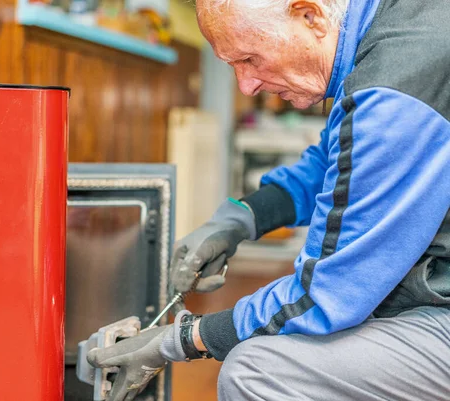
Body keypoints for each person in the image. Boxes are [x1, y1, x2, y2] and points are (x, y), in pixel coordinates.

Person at [87, 0, 450, 399]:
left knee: (257, 372)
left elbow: (325, 297)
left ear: (309, 16)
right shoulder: (394, 29)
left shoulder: (396, 82)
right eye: (233, 66)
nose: (246, 85)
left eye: (250, 58)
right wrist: (239, 219)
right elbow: (336, 165)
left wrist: (185, 337)